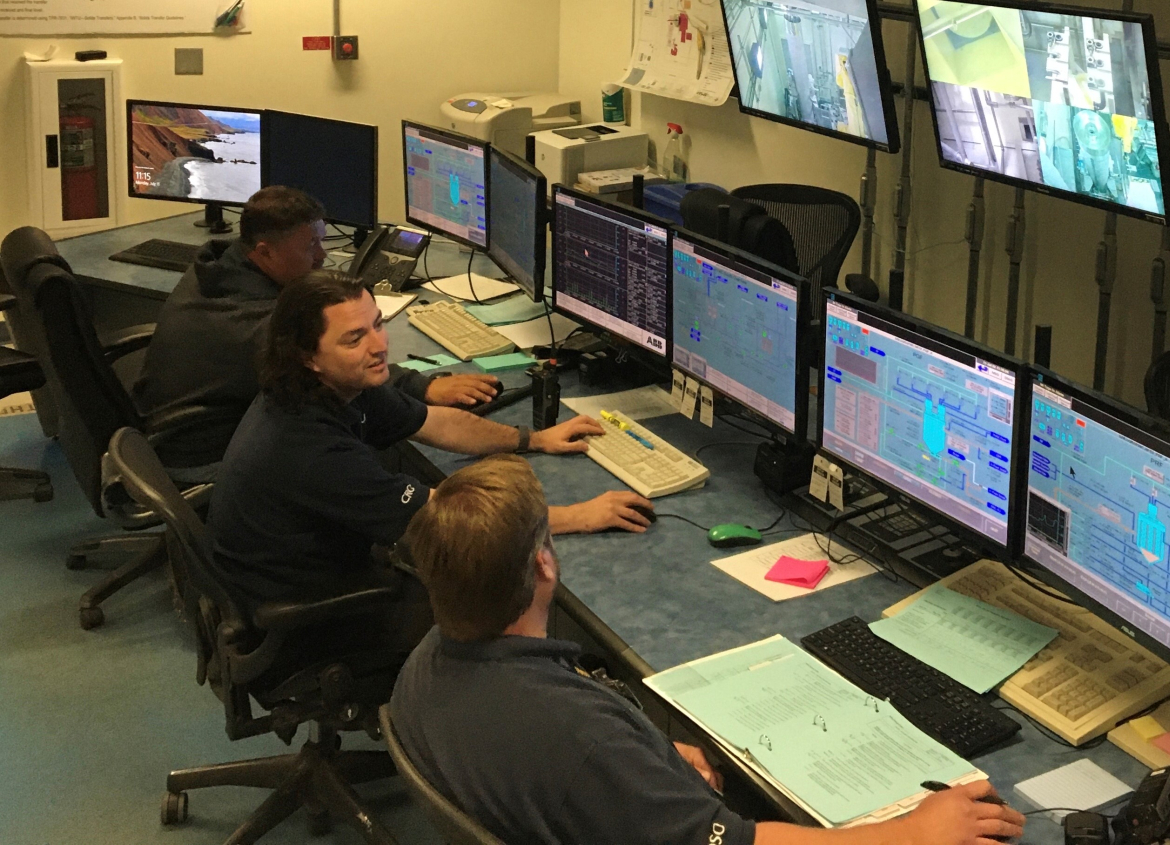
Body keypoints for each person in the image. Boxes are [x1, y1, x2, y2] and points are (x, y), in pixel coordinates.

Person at [391, 455, 1027, 845]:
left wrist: (650, 764)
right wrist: (911, 833)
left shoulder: (424, 663)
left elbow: (578, 761)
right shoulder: (584, 741)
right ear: (544, 566)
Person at [206, 270, 653, 614]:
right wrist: (579, 515)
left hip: (318, 565)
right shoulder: (309, 447)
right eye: (354, 338)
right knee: (494, 608)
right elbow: (453, 517)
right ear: (308, 357)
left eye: (377, 325)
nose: (379, 346)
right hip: (311, 605)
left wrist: (532, 439)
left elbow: (436, 423)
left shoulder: (338, 387)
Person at [133, 186, 499, 475]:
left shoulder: (218, 266)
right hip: (205, 451)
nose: (322, 255)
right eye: (310, 245)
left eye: (321, 239)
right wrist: (425, 386)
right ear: (266, 252)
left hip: (173, 428)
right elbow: (349, 375)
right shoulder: (260, 323)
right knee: (363, 432)